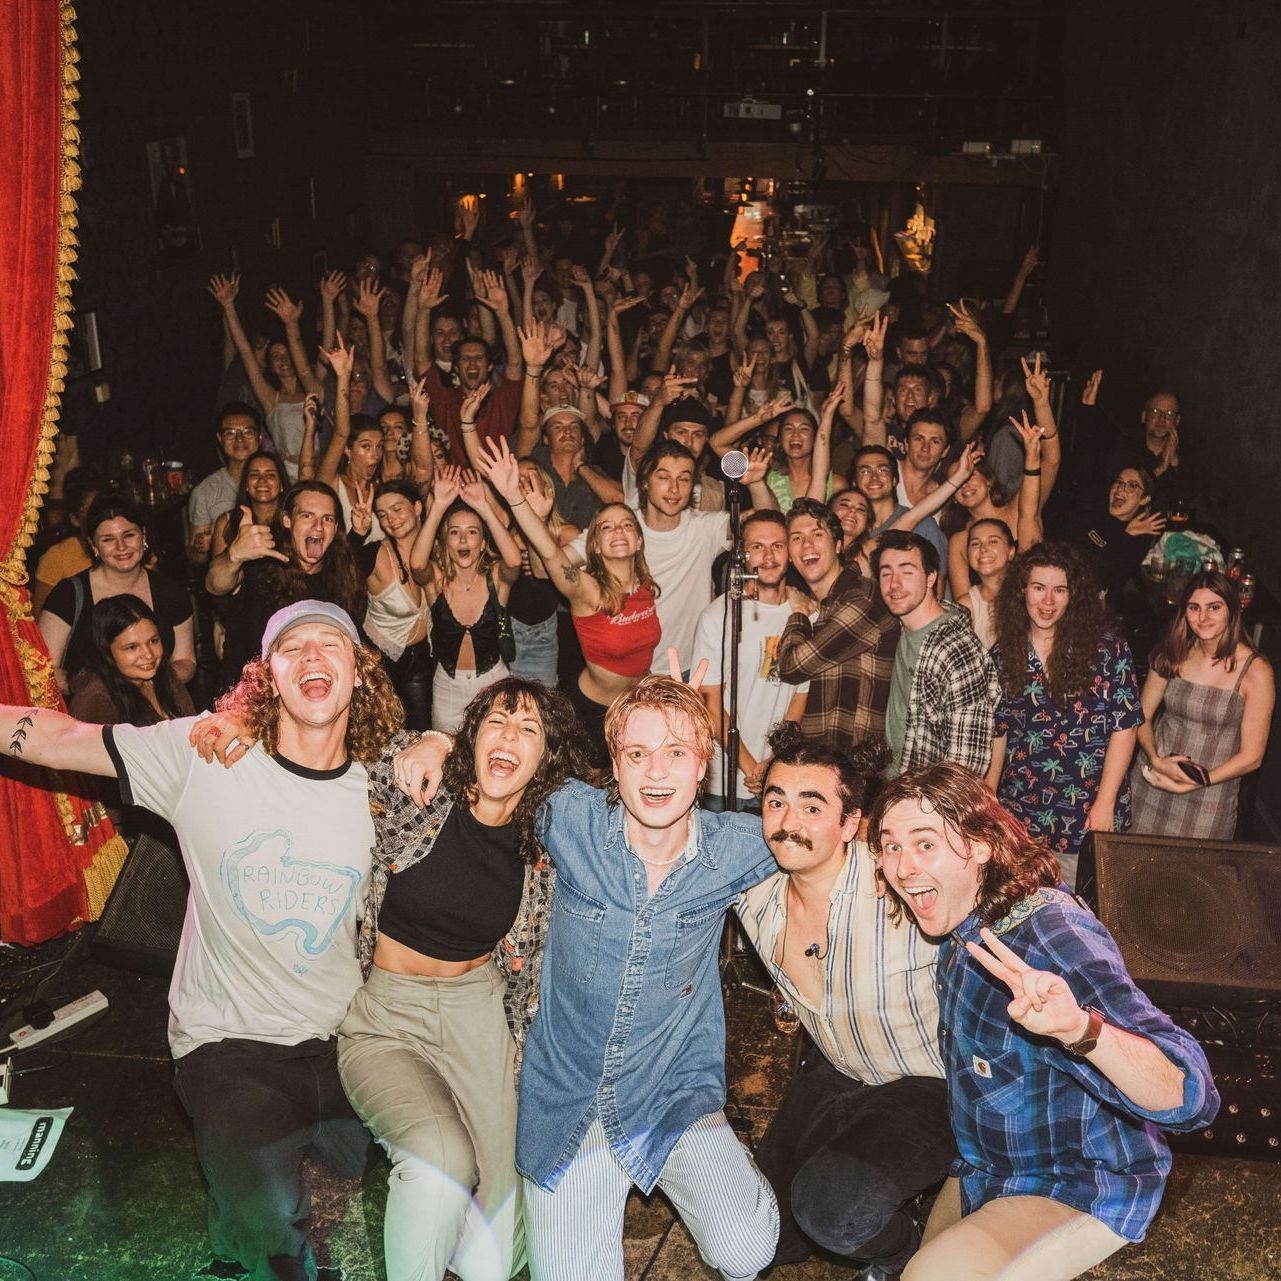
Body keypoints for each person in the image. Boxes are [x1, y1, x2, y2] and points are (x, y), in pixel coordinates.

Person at [2, 600, 403, 1281]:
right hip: (230, 1041)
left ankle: (239, 1245)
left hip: (346, 1035)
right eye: (291, 646)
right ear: (266, 676)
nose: (311, 655)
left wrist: (440, 744)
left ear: (360, 672)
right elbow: (55, 735)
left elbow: (499, 774)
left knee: (356, 1191)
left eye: (330, 644)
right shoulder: (201, 757)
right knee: (272, 1222)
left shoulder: (386, 787)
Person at [390, 673, 781, 1281]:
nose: (656, 773)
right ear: (614, 768)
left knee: (746, 1248)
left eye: (676, 753)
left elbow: (826, 830)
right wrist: (438, 741)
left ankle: (725, 1171)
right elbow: (504, 759)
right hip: (570, 1103)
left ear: (702, 765)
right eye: (638, 754)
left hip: (670, 1093)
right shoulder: (569, 816)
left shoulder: (737, 846)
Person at [871, 762, 1218, 1281]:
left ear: (982, 846)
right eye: (890, 846)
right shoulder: (962, 924)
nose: (901, 867)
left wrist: (1082, 1029)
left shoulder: (1051, 935)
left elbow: (1192, 1095)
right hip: (987, 1169)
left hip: (1081, 1180)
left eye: (925, 844)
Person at [338, 678, 588, 1281]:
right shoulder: (416, 792)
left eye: (529, 730)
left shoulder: (543, 844)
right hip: (386, 1014)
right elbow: (342, 755)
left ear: (545, 757)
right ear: (471, 735)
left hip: (479, 1007)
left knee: (499, 1231)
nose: (510, 737)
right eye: (498, 722)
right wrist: (433, 740)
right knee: (444, 1162)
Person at [737, 725, 951, 1279]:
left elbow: (977, 875)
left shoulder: (897, 882)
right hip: (836, 1070)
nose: (789, 823)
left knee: (833, 1209)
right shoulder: (755, 900)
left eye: (813, 807)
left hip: (929, 1085)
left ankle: (906, 1252)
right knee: (760, 1235)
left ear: (851, 824)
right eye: (776, 802)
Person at [475, 437, 659, 767]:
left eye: (626, 525)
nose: (618, 531)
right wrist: (517, 498)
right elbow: (549, 552)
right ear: (596, 545)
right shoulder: (586, 590)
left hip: (635, 707)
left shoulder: (645, 586)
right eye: (606, 527)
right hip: (592, 714)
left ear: (639, 539)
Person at [987, 542, 1143, 889]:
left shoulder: (1106, 648)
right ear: (1021, 591)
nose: (1048, 601)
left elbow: (1126, 727)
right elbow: (999, 729)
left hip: (1086, 814)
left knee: (1086, 915)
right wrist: (990, 792)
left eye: (1060, 590)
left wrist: (1104, 803)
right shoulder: (1002, 654)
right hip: (1022, 815)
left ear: (1074, 596)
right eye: (1038, 588)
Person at [1130, 570, 1274, 840]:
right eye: (1194, 608)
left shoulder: (1256, 671)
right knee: (1135, 870)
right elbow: (1141, 718)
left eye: (1214, 607)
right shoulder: (1172, 651)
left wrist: (1200, 781)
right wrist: (1156, 760)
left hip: (1210, 795)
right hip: (1154, 780)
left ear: (1232, 610)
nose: (1203, 617)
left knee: (1191, 878)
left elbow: (1252, 756)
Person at [689, 510, 809, 808]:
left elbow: (799, 697)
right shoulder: (718, 616)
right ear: (741, 554)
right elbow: (710, 704)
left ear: (790, 553)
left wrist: (774, 762)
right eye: (757, 547)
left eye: (777, 546)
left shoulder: (805, 615)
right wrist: (753, 768)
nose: (768, 557)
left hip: (779, 775)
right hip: (723, 778)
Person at [206, 481, 366, 694]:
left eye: (327, 519)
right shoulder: (261, 564)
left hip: (312, 704)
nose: (318, 526)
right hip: (248, 703)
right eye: (307, 516)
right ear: (287, 520)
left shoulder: (342, 576)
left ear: (336, 528)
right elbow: (216, 584)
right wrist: (234, 557)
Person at [39, 495, 195, 695]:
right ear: (93, 545)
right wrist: (101, 690)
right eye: (108, 539)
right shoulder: (67, 595)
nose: (121, 547)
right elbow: (43, 670)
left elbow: (186, 661)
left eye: (129, 535)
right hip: (89, 717)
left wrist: (150, 683)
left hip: (155, 713)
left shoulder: (170, 592)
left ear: (143, 536)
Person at [775, 498, 898, 753]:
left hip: (855, 764)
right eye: (796, 538)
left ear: (839, 545)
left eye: (817, 534)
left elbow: (792, 666)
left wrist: (798, 613)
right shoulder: (823, 605)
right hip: (823, 762)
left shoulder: (862, 597)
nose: (807, 544)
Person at [873, 531, 999, 777]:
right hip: (892, 786)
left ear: (931, 577)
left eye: (907, 572)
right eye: (886, 573)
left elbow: (966, 763)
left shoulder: (958, 650)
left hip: (926, 799)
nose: (894, 584)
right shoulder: (898, 626)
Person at [419, 468, 523, 732]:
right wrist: (438, 507)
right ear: (445, 541)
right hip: (447, 686)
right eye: (454, 532)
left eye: (472, 532)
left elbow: (513, 560)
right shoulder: (438, 579)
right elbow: (418, 565)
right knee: (446, 756)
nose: (463, 539)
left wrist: (485, 508)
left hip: (493, 679)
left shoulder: (496, 577)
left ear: (483, 541)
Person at [359, 480, 436, 730]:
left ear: (417, 507)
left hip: (424, 659)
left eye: (397, 509)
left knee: (420, 733)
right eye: (382, 514)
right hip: (381, 661)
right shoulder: (373, 553)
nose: (390, 519)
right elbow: (335, 571)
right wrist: (356, 534)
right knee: (382, 734)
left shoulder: (441, 548)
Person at [188, 403, 265, 564]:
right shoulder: (204, 491)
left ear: (260, 438)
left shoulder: (274, 480)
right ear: (220, 438)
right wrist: (201, 547)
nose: (239, 439)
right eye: (230, 433)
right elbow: (197, 559)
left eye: (248, 432)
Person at [211, 451, 288, 560]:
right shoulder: (226, 523)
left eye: (270, 475)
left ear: (281, 485)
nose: (262, 480)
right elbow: (216, 575)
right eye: (254, 475)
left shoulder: (294, 520)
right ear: (246, 485)